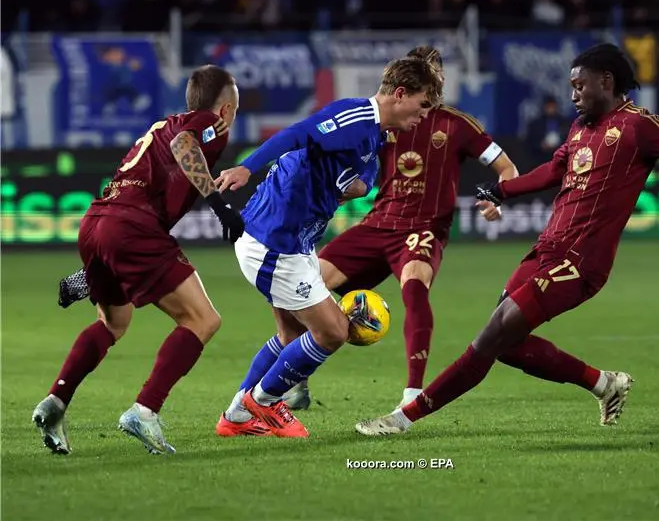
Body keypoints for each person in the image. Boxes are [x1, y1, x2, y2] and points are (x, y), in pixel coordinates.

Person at [354, 43, 659, 436]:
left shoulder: (641, 127)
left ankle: (403, 418)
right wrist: (503, 189)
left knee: (490, 337)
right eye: (571, 86)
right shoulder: (580, 128)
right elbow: (552, 171)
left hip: (582, 262)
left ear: (607, 81)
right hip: (545, 250)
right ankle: (605, 383)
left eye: (579, 85)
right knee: (506, 347)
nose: (573, 94)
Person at [267, 45, 518, 414]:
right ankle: (294, 381)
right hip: (378, 224)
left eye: (437, 76)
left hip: (424, 229)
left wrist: (497, 197)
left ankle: (413, 393)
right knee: (296, 286)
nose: (434, 86)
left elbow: (507, 168)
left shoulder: (458, 125)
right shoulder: (384, 122)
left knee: (415, 290)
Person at [214, 55, 444, 438]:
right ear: (400, 94)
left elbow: (364, 177)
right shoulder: (355, 118)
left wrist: (355, 184)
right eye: (421, 106)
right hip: (273, 241)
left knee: (290, 337)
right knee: (334, 332)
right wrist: (246, 168)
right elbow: (298, 133)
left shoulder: (376, 135)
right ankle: (264, 402)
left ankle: (235, 417)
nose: (423, 116)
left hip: (296, 244)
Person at [32, 65, 245, 455]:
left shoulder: (164, 124)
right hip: (133, 228)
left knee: (114, 322)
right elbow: (185, 146)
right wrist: (220, 205)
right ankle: (145, 410)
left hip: (98, 223)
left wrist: (91, 274)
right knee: (203, 319)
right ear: (227, 109)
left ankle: (55, 402)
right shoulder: (208, 125)